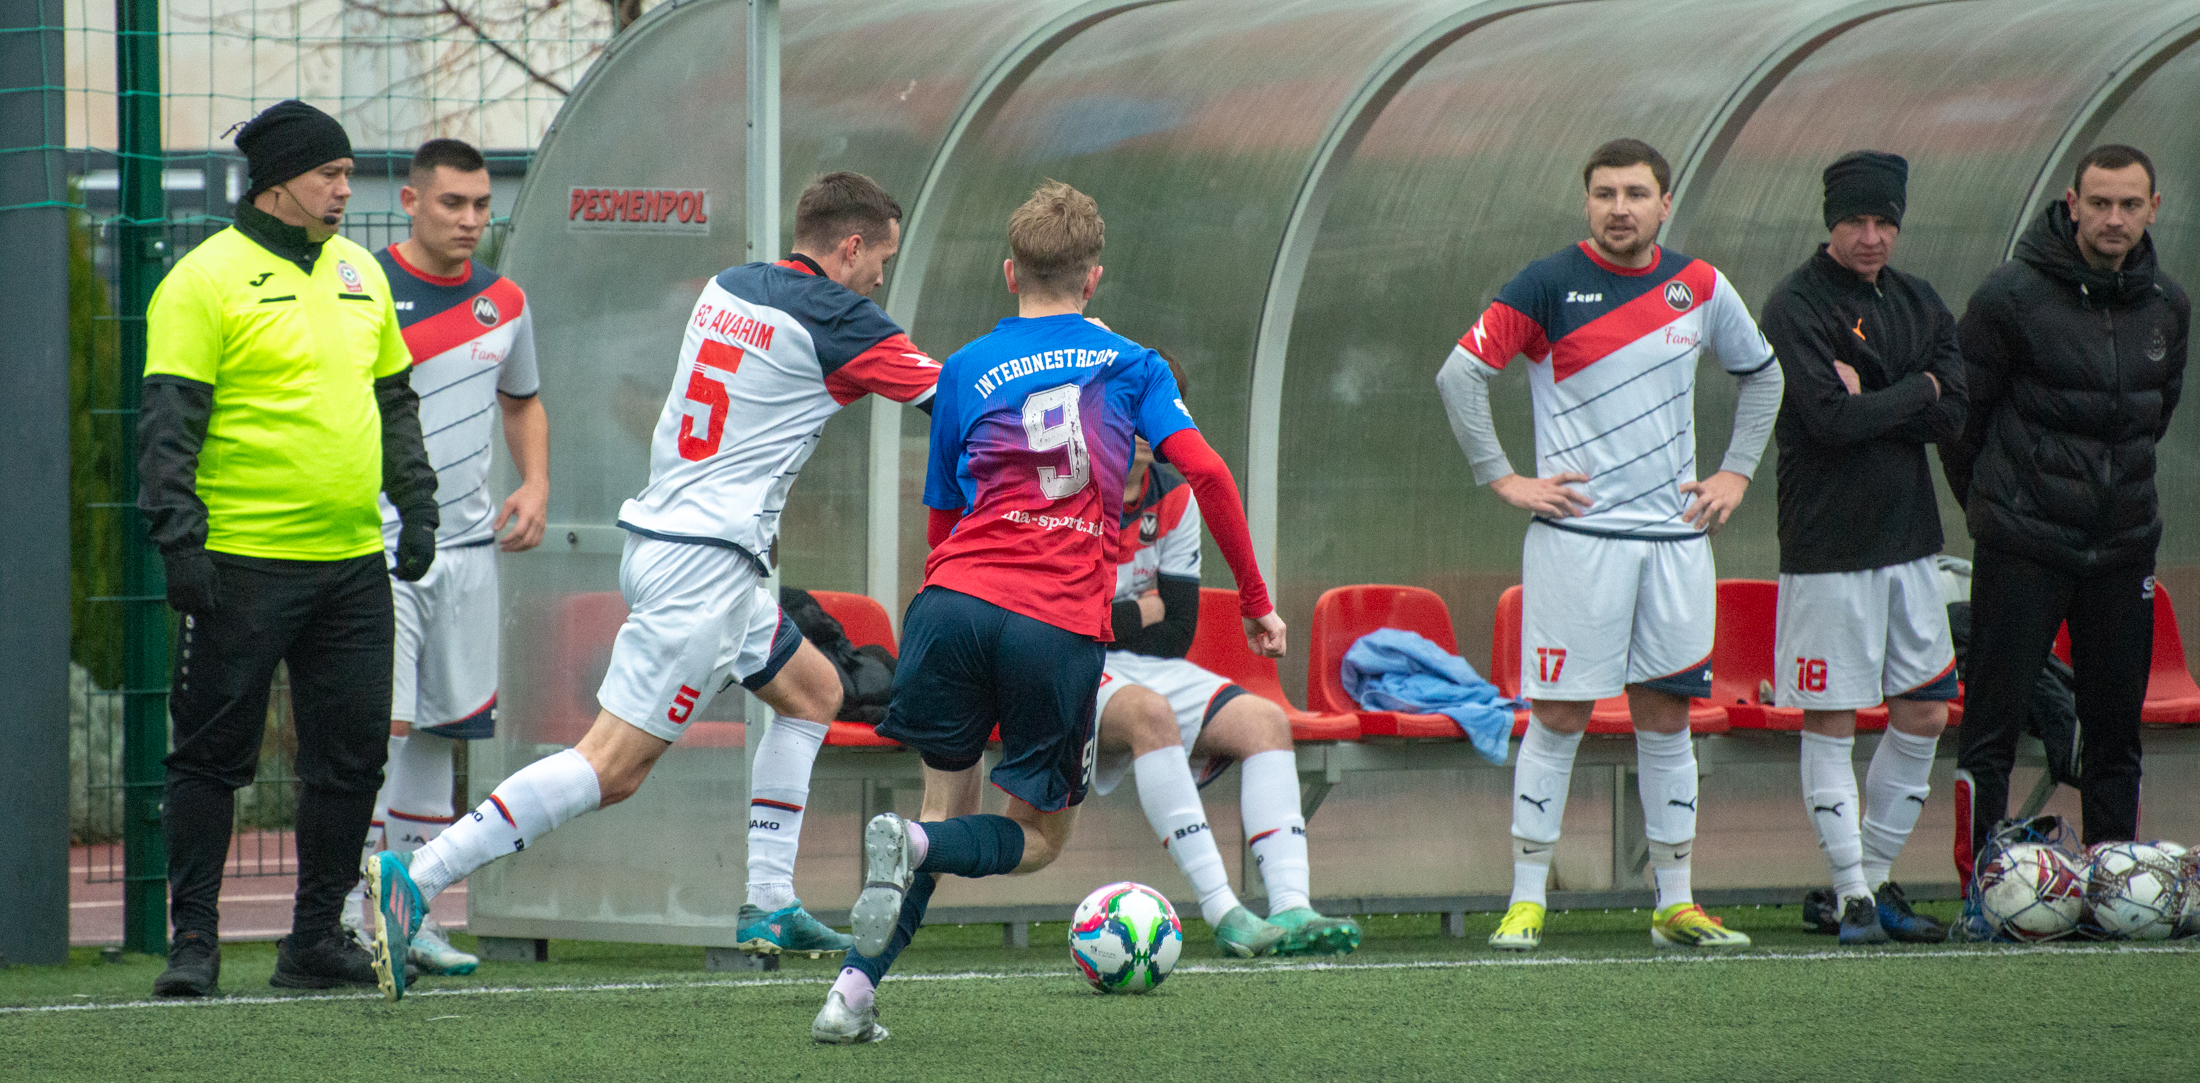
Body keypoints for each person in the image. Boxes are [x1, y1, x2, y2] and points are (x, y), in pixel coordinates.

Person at [366, 172, 941, 1000]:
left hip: (680, 544)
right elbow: (957, 397)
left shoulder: (730, 284)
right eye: (880, 260)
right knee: (613, 766)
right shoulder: (838, 317)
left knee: (814, 691)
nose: (881, 279)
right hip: (702, 568)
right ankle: (418, 876)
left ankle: (771, 901)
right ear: (851, 247)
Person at [810, 181, 1286, 1044]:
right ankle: (909, 855)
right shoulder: (1131, 365)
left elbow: (943, 519)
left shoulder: (963, 368)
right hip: (1053, 621)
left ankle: (850, 996)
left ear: (1009, 273)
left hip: (951, 605)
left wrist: (953, 597)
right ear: (1093, 279)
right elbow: (1208, 475)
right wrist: (1256, 602)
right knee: (1035, 837)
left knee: (941, 813)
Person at [1435, 138, 1782, 952]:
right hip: (1577, 539)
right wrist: (1503, 478)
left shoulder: (1701, 286)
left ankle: (1675, 902)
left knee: (1667, 716)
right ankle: (1527, 899)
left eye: (1635, 193)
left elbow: (1764, 374)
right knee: (1560, 713)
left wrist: (1734, 474)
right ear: (1586, 202)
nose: (1619, 208)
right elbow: (1460, 373)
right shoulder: (1547, 283)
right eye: (1604, 194)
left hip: (1674, 541)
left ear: (1666, 204)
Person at [139, 99, 437, 997]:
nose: (346, 190)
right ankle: (195, 943)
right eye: (329, 175)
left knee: (352, 758)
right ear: (278, 183)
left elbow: (394, 401)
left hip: (352, 565)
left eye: (347, 174)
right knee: (209, 758)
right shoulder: (202, 281)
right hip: (239, 564)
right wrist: (179, 541)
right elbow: (168, 426)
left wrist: (417, 504)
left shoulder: (360, 272)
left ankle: (312, 941)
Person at [1940, 144, 2189, 881]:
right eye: (2100, 203)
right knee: (1991, 727)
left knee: (2115, 732)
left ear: (2153, 209)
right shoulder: (2009, 296)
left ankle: (2114, 885)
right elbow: (1962, 420)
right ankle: (1983, 887)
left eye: (2130, 205)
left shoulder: (2167, 304)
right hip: (2023, 546)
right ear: (2073, 204)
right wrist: (1998, 509)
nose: (2114, 219)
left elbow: (2153, 416)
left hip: (2123, 547)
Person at [332, 138, 547, 977]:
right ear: (412, 201)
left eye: (481, 205)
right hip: (379, 546)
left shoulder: (507, 300)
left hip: (469, 551)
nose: (469, 219)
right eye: (452, 202)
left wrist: (535, 482)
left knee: (438, 734)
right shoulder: (362, 286)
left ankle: (408, 913)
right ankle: (343, 914)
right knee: (378, 730)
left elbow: (522, 401)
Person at [1759, 151, 1963, 945]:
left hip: (1911, 542)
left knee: (1925, 710)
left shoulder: (1919, 299)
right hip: (1828, 547)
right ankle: (1851, 892)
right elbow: (1827, 421)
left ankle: (1871, 882)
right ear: (1831, 222)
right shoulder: (1795, 303)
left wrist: (1880, 392)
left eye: (1885, 221)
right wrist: (1918, 389)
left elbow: (1956, 410)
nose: (1872, 236)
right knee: (1832, 717)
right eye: (1856, 221)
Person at [1091, 395, 1358, 958]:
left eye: (1155, 418)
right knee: (1150, 713)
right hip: (1073, 661)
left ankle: (1292, 907)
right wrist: (1143, 609)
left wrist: (1121, 616)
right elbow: (1069, 621)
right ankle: (1225, 911)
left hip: (1146, 663)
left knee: (1265, 721)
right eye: (1131, 416)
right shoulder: (1071, 491)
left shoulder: (1176, 496)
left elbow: (1177, 631)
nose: (1144, 431)